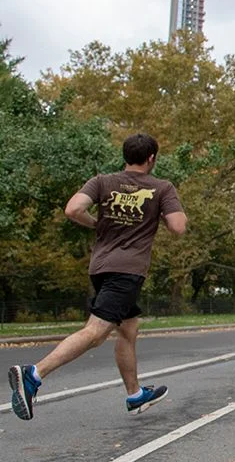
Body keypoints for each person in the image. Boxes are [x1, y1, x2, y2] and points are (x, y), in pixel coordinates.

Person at [9, 134, 186, 421]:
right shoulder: (161, 188)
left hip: (101, 266)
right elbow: (178, 227)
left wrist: (97, 224)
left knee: (128, 329)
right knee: (95, 332)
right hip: (128, 271)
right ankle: (34, 375)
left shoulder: (103, 181)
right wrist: (156, 215)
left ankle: (134, 394)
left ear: (126, 155)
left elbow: (73, 209)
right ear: (152, 158)